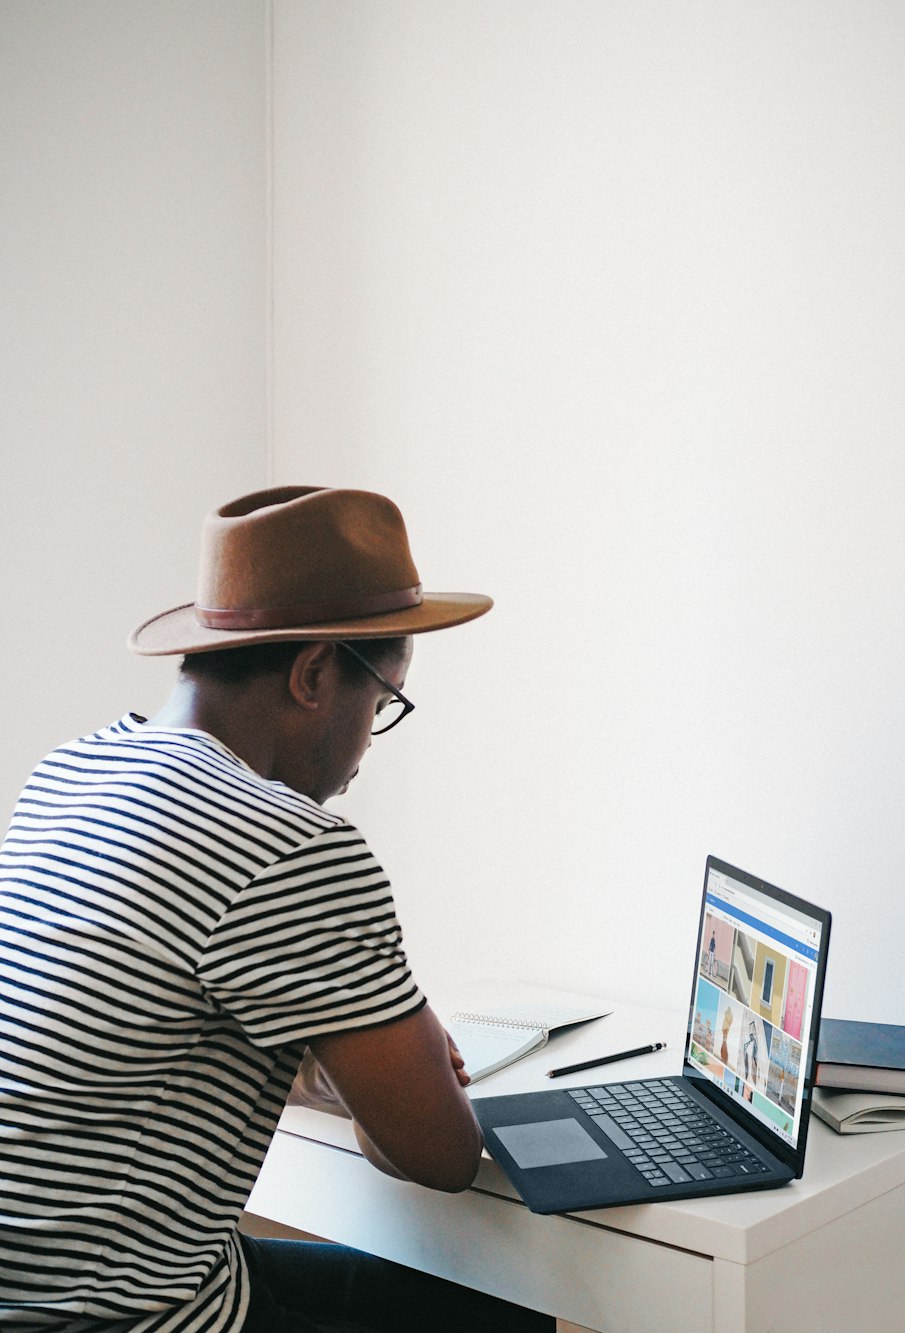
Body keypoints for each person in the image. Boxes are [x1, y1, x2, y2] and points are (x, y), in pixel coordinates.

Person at [0, 486, 555, 1332]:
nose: (369, 745)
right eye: (381, 705)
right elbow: (439, 1154)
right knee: (511, 1310)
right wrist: (381, 1068)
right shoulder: (290, 843)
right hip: (122, 1315)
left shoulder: (70, 772)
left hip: (57, 1283)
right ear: (312, 674)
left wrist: (337, 1052)